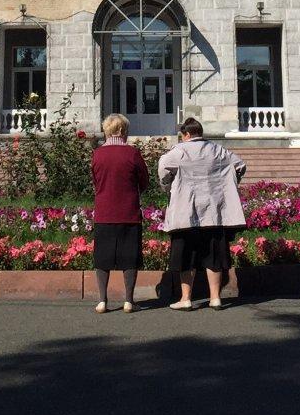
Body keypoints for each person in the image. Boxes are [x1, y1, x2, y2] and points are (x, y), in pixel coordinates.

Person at [159, 117, 246, 310]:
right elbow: (240, 165)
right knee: (213, 256)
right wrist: (228, 183)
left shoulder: (179, 151)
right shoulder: (218, 150)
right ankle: (215, 297)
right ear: (200, 132)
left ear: (186, 134)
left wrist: (169, 187)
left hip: (186, 211)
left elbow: (163, 168)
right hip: (214, 211)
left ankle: (186, 298)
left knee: (186, 256)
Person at [90, 113, 150, 314]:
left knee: (102, 257)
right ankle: (129, 301)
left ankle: (102, 300)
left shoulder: (97, 154)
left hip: (104, 211)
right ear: (124, 130)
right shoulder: (132, 153)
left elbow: (96, 181)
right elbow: (144, 181)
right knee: (129, 257)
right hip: (128, 211)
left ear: (106, 131)